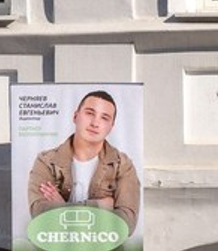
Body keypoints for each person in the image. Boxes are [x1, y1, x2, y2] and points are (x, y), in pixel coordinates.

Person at [26, 90, 141, 235]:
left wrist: (62, 206)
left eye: (104, 118)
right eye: (90, 113)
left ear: (111, 127)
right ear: (75, 116)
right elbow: (40, 214)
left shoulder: (123, 166)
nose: (95, 123)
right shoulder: (46, 161)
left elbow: (126, 224)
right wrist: (99, 205)